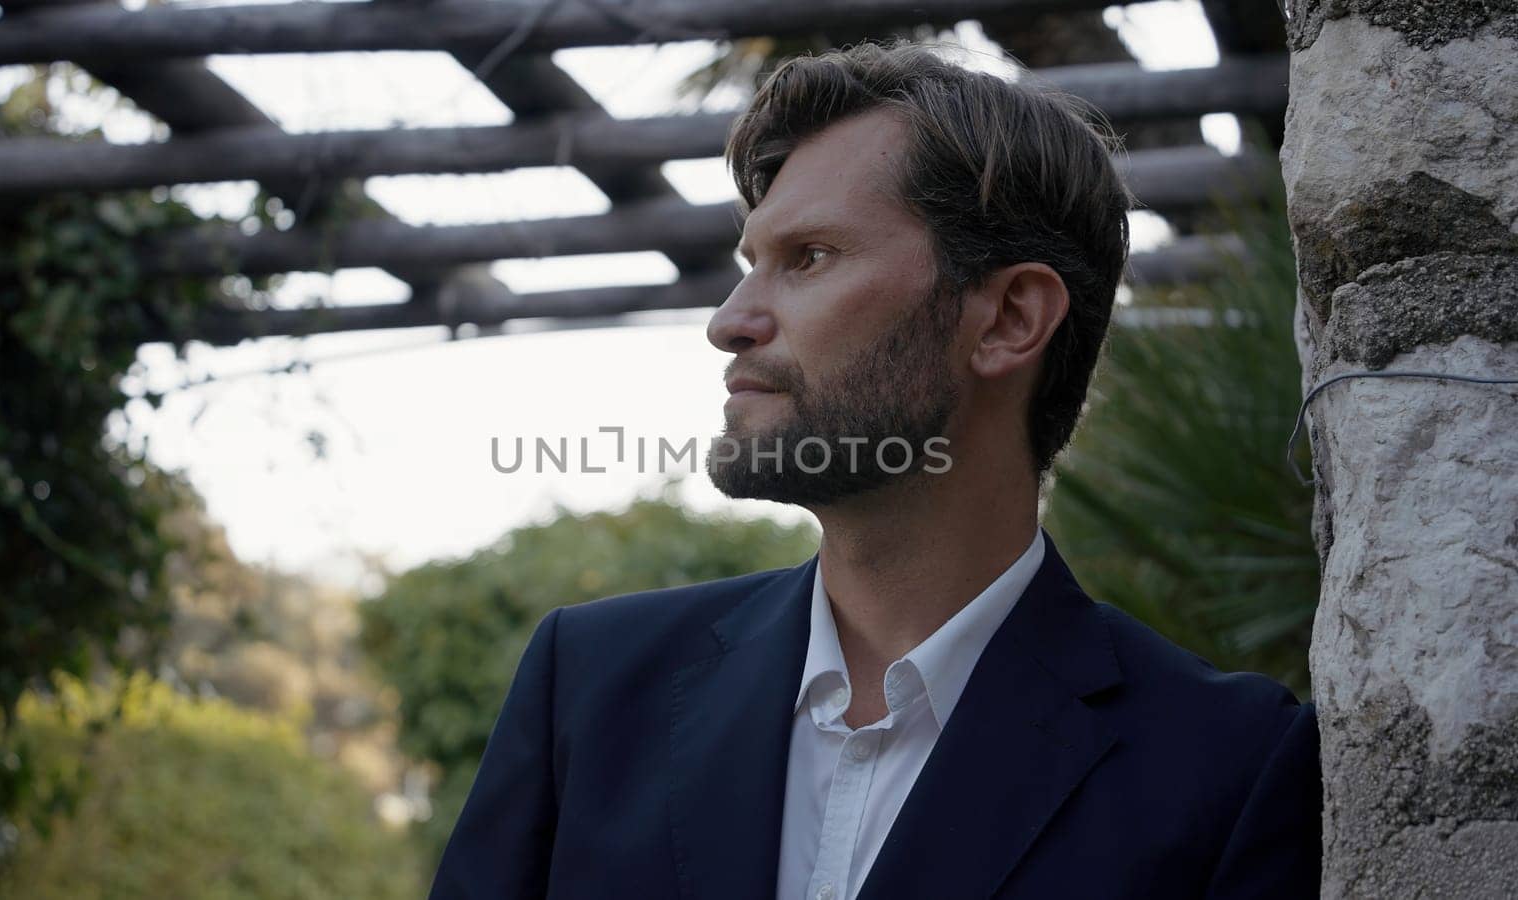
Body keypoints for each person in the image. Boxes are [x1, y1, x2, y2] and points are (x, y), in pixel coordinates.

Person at [428, 41, 1320, 900]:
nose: (729, 321)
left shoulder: (1227, 767)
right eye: (751, 265)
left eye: (807, 258)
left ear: (1010, 318)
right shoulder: (588, 689)